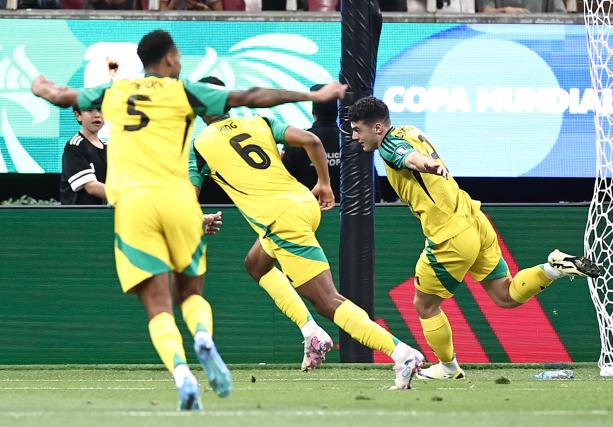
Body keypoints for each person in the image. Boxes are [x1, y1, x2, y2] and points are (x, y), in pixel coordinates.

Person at [31, 29, 347, 410]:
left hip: (134, 206)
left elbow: (57, 96)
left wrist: (39, 84)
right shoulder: (187, 92)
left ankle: (182, 372)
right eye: (178, 55)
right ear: (168, 60)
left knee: (158, 306)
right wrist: (312, 96)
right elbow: (252, 96)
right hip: (179, 200)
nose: (180, 61)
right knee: (192, 294)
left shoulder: (112, 93)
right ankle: (202, 336)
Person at [189, 78, 425, 390]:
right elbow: (312, 140)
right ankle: (311, 332)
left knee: (328, 300)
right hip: (304, 203)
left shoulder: (199, 145)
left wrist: (199, 219)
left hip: (280, 220)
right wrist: (324, 184)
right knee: (256, 264)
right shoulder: (259, 121)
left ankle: (401, 352)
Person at [348, 96, 600, 380]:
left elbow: (408, 157)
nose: (355, 137)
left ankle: (448, 367)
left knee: (424, 305)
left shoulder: (391, 146)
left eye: (358, 130)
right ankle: (554, 268)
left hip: (449, 235)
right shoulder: (408, 129)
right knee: (505, 295)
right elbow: (412, 153)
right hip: (474, 220)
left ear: (378, 128)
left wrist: (425, 165)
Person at [282, 84, 340, 202]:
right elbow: (371, 186)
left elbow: (282, 184)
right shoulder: (354, 142)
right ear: (338, 111)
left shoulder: (296, 142)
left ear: (313, 111)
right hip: (348, 215)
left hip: (304, 211)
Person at [59, 106, 107, 205]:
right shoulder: (74, 146)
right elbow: (91, 187)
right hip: (79, 217)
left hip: (102, 216)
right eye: (89, 111)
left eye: (101, 110)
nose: (97, 115)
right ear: (78, 115)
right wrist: (125, 197)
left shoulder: (108, 147)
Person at [477, 0, 566, 13]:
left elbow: (560, 13)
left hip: (538, 44)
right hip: (501, 41)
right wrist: (504, 11)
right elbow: (485, 10)